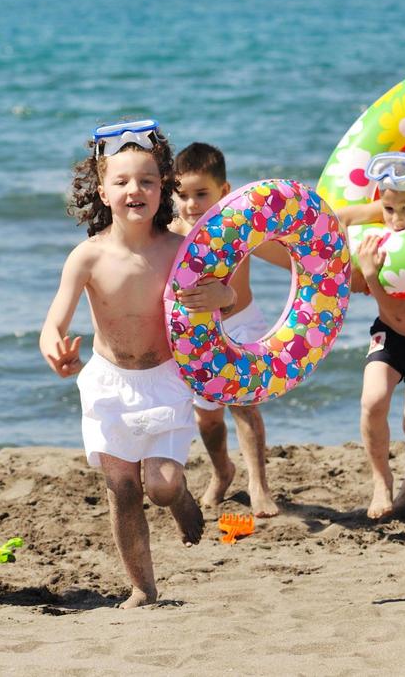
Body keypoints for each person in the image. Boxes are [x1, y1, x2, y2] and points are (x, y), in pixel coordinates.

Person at [39, 120, 215, 608]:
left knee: (158, 484)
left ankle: (178, 497)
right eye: (121, 182)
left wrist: (218, 293)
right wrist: (55, 348)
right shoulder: (88, 257)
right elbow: (53, 323)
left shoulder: (182, 251)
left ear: (164, 188)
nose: (134, 190)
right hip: (108, 381)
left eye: (147, 181)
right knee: (121, 486)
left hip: (165, 378)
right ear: (102, 190)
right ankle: (143, 587)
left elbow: (217, 302)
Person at [170, 141, 284, 517]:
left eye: (201, 193)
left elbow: (292, 258)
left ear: (223, 191)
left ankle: (258, 485)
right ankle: (222, 471)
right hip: (197, 337)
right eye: (182, 194)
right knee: (208, 416)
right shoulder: (172, 235)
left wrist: (226, 295)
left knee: (244, 403)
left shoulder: (239, 228)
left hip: (241, 321)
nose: (191, 204)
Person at [336, 150, 405, 520]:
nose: (397, 221)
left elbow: (398, 304)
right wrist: (348, 261)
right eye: (389, 209)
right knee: (372, 401)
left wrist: (368, 274)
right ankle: (381, 482)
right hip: (389, 335)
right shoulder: (387, 221)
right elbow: (341, 219)